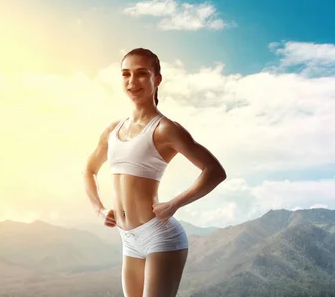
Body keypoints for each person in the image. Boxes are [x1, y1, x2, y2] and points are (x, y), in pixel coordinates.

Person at [82, 47, 227, 297]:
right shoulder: (112, 130)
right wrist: (99, 208)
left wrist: (174, 204)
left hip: (160, 238)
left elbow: (214, 171)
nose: (132, 81)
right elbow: (89, 170)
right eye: (126, 74)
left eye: (141, 73)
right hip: (129, 240)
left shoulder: (165, 129)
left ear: (156, 79)